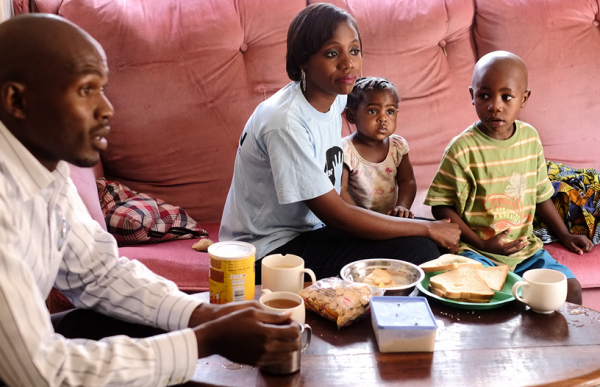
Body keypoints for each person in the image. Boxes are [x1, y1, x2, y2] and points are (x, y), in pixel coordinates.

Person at [0, 14, 301, 387]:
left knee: (126, 321)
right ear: (16, 99)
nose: (107, 109)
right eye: (85, 90)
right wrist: (206, 341)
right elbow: (38, 373)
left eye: (103, 88)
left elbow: (96, 273)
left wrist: (203, 315)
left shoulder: (45, 165)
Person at [219, 3, 460, 281]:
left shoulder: (335, 95)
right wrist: (426, 229)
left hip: (313, 231)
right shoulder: (284, 122)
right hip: (267, 252)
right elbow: (339, 216)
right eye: (333, 53)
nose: (349, 63)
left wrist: (424, 225)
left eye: (354, 51)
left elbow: (377, 99)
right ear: (302, 60)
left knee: (432, 239)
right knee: (421, 249)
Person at [424, 50, 594, 304]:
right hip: (476, 252)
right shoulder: (462, 150)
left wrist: (565, 234)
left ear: (523, 98)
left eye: (506, 97)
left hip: (526, 252)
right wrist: (482, 244)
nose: (495, 106)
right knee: (497, 299)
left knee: (570, 290)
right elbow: (441, 207)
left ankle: (560, 344)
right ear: (472, 96)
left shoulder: (530, 139)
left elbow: (541, 195)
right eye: (484, 96)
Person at [341, 77, 416, 218]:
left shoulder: (397, 146)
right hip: (357, 221)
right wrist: (361, 218)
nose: (383, 118)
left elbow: (407, 181)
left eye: (390, 111)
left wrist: (402, 206)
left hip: (390, 219)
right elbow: (341, 190)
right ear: (351, 116)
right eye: (373, 111)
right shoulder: (345, 150)